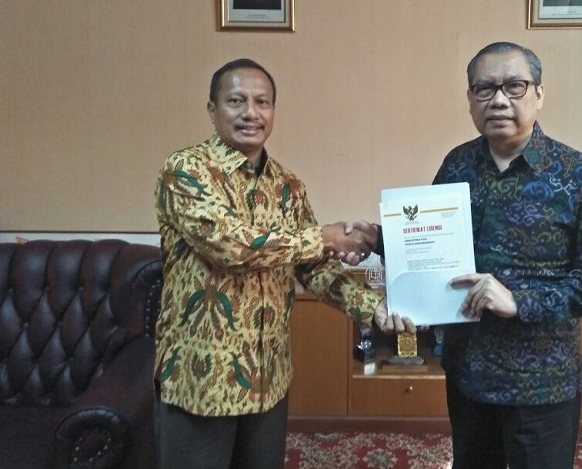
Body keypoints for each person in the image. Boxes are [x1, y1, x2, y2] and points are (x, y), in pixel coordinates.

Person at [356, 41, 582, 469]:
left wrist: (520, 301)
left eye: (514, 86)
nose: (499, 100)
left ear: (539, 94)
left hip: (541, 386)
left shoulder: (578, 176)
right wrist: (378, 238)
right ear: (470, 100)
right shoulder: (457, 165)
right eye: (485, 89)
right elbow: (432, 247)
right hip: (469, 376)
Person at [153, 58, 414, 469]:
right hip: (201, 380)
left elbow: (312, 267)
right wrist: (325, 236)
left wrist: (375, 308)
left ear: (273, 110)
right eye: (236, 101)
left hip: (267, 377)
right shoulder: (186, 171)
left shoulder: (288, 186)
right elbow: (231, 247)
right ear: (212, 110)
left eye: (262, 102)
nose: (251, 113)